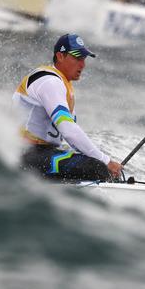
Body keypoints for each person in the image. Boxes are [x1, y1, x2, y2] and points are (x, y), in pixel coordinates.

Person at [13, 33, 123, 182]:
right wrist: (106, 161)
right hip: (25, 153)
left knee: (96, 166)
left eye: (83, 59)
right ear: (60, 56)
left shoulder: (64, 85)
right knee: (97, 168)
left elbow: (71, 134)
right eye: (77, 58)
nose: (82, 64)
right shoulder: (50, 82)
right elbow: (68, 130)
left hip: (41, 152)